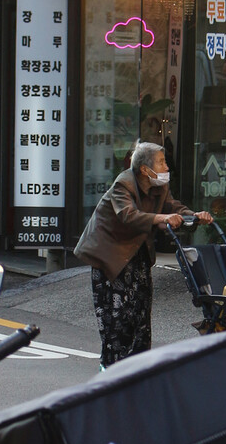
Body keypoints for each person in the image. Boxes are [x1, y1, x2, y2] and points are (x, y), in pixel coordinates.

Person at [75, 141, 213, 368]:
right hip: (110, 256)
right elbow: (128, 215)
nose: (166, 167)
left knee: (140, 314)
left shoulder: (159, 186)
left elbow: (172, 207)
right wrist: (161, 219)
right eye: (161, 162)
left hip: (137, 254)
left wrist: (193, 215)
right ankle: (110, 367)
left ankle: (136, 368)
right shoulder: (124, 184)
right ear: (144, 169)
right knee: (116, 317)